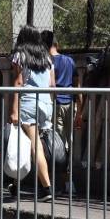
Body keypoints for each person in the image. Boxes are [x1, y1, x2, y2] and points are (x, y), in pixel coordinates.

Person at [8, 25, 56, 201]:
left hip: (28, 103)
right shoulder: (47, 58)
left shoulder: (19, 55)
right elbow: (52, 85)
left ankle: (46, 188)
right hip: (46, 104)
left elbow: (18, 82)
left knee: (35, 146)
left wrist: (14, 109)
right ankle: (16, 184)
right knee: (25, 144)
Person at [41, 30, 81, 194]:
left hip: (55, 105)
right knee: (68, 145)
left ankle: (58, 183)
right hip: (70, 105)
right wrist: (80, 109)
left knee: (55, 146)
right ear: (57, 44)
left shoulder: (47, 62)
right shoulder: (70, 61)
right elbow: (77, 85)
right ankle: (69, 183)